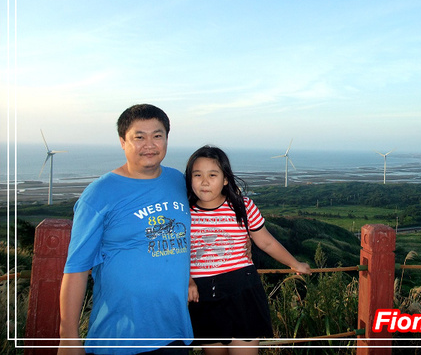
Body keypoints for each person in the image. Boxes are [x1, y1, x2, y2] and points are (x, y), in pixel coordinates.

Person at [58, 104, 193, 355]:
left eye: (157, 135)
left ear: (167, 138)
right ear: (122, 141)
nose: (149, 145)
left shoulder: (178, 181)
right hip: (119, 338)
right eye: (139, 137)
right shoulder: (99, 194)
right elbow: (77, 268)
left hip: (175, 333)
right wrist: (68, 338)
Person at [185, 145, 311, 354]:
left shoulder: (242, 207)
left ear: (226, 179)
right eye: (197, 175)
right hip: (203, 297)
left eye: (212, 175)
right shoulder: (184, 213)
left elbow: (266, 242)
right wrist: (188, 279)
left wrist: (294, 263)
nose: (204, 182)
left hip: (242, 291)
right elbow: (179, 253)